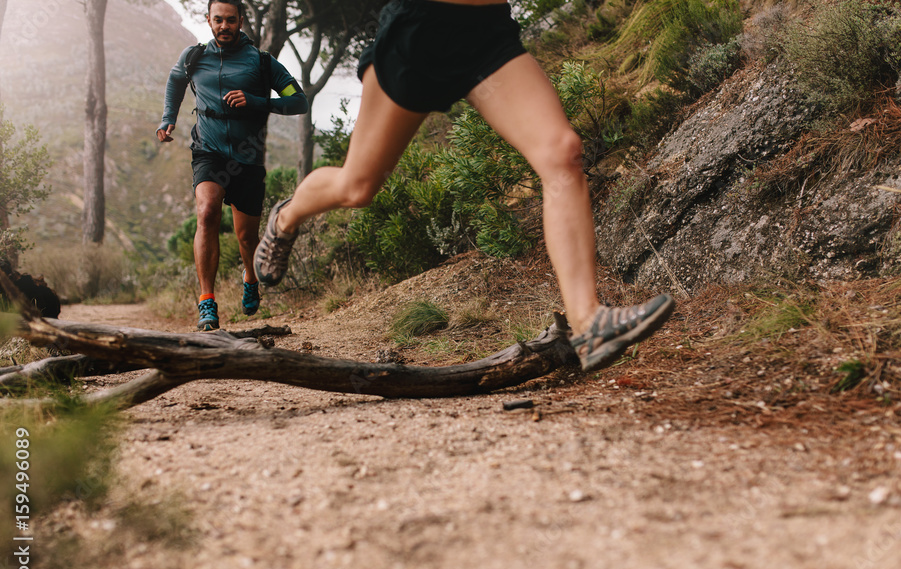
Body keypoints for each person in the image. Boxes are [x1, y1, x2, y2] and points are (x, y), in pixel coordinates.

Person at [254, 0, 675, 371]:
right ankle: (287, 216)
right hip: (418, 31)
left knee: (562, 152)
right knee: (357, 187)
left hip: (485, 34)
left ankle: (588, 323)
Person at [157, 0, 308, 331]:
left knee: (246, 238)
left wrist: (257, 101)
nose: (224, 26)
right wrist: (168, 119)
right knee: (207, 211)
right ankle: (207, 301)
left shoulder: (262, 63)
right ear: (208, 20)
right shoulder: (194, 57)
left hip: (247, 157)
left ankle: (250, 276)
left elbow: (298, 101)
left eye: (230, 20)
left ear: (241, 20)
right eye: (218, 20)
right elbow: (175, 82)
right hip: (208, 150)